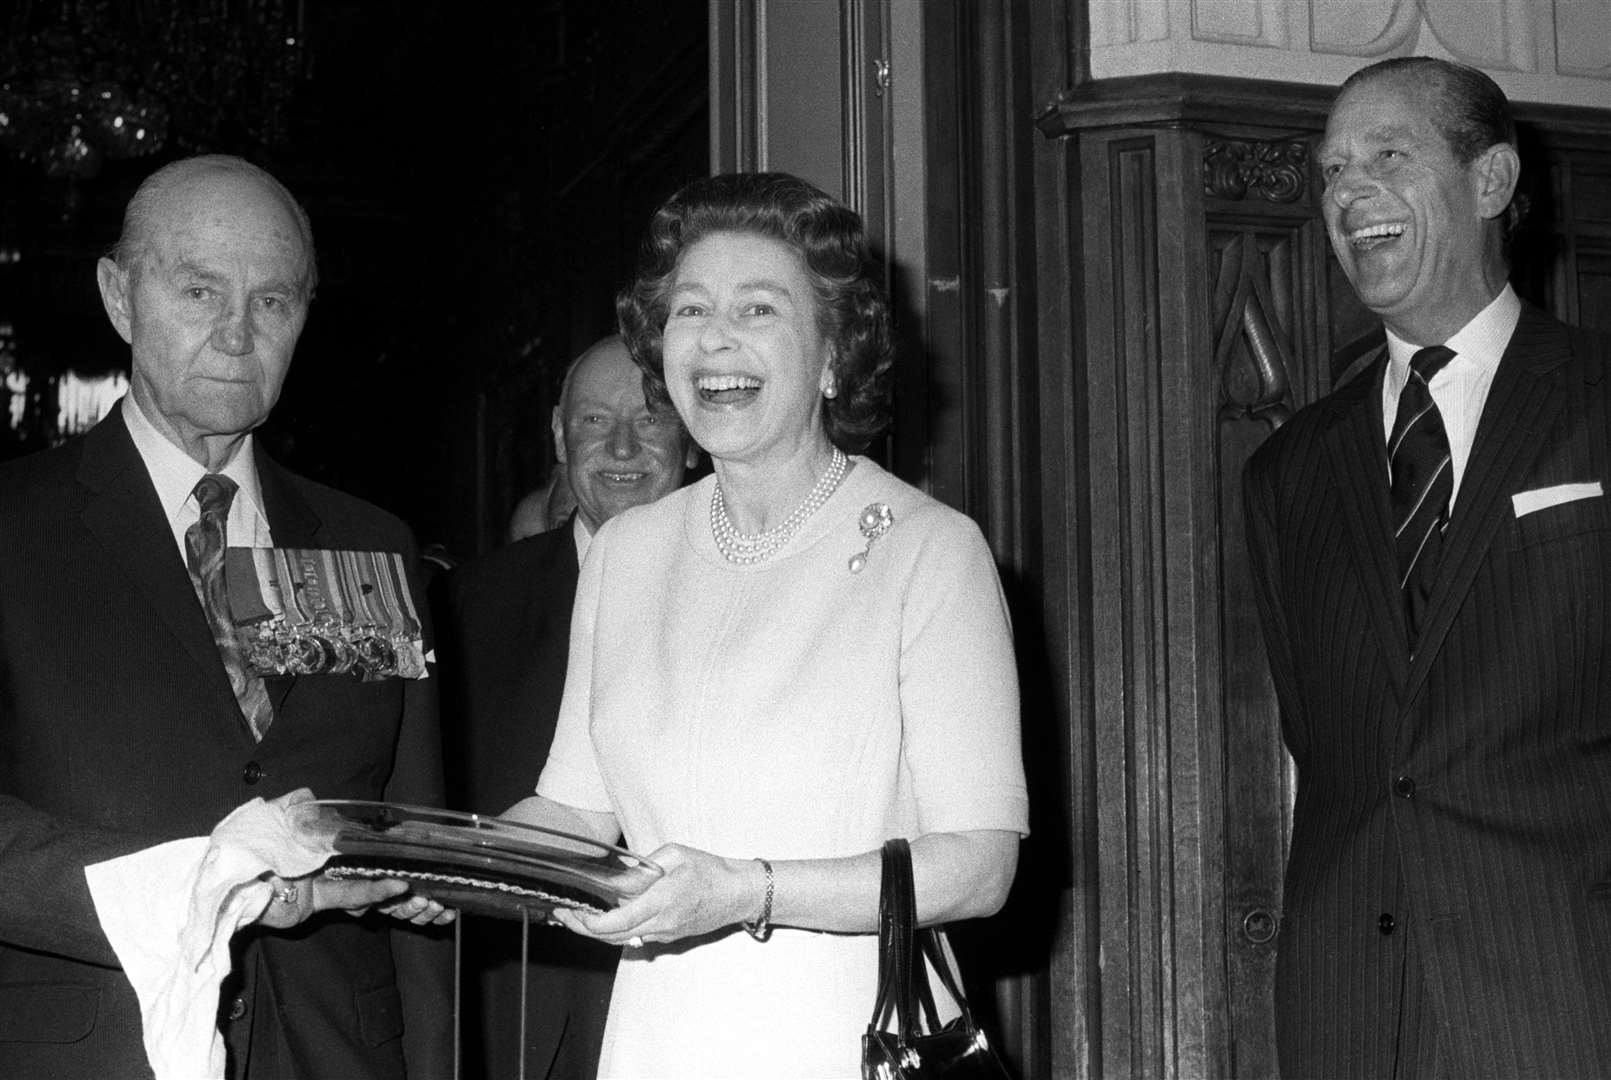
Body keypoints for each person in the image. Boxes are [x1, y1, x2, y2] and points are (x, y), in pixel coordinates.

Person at [493, 172, 1028, 1078]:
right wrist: (425, 860)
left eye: (758, 309)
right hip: (660, 1041)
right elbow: (575, 811)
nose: (714, 339)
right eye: (690, 309)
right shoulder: (626, 553)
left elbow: (980, 868)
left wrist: (745, 892)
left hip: (848, 1039)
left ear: (831, 357)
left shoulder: (929, 551)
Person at [0, 154, 452, 1079]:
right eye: (199, 291)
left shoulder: (372, 544)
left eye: (273, 302)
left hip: (339, 1052)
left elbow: (415, 846)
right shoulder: (11, 525)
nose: (237, 336)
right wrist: (220, 883)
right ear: (119, 298)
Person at [1244, 57, 1611, 1078]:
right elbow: (1331, 747)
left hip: (1571, 1001)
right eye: (1329, 173)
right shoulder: (1287, 473)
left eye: (1387, 157)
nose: (1349, 193)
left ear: (1490, 183)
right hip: (1353, 1017)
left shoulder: (1598, 400)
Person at [436, 333, 697, 1080]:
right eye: (592, 422)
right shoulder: (467, 606)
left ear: (690, 437)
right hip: (520, 1010)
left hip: (695, 997)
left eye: (649, 419)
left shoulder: (756, 596)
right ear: (557, 434)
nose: (621, 445)